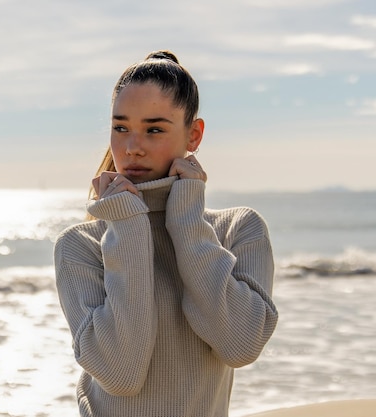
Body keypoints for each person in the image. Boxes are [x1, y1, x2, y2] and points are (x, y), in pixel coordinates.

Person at [54, 50, 278, 417]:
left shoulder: (238, 230)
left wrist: (186, 221)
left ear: (194, 134)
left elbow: (240, 346)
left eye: (154, 129)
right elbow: (121, 373)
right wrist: (127, 225)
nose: (132, 147)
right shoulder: (81, 246)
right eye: (121, 127)